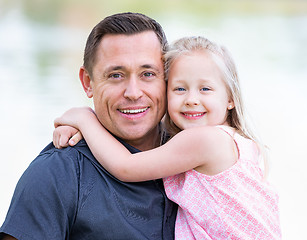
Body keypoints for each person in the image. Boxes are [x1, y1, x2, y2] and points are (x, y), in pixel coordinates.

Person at [54, 36, 282, 239]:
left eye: (205, 89)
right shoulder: (238, 141)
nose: (192, 99)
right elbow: (141, 125)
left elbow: (126, 167)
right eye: (179, 89)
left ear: (230, 98)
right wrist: (82, 130)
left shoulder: (204, 141)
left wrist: (84, 119)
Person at [0, 12, 178, 240]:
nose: (133, 93)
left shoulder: (202, 161)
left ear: (167, 78)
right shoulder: (57, 174)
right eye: (116, 75)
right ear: (88, 82)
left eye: (147, 74)